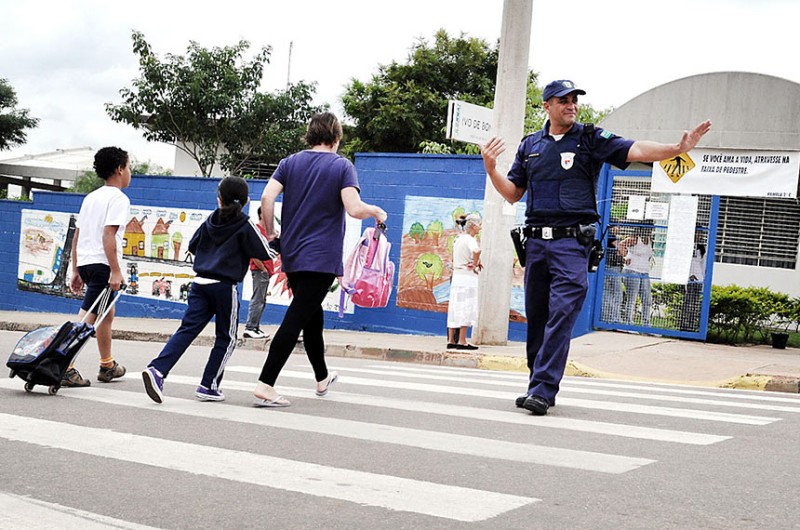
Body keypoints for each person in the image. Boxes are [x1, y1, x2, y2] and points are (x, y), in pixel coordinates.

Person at [480, 79, 711, 415]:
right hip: (536, 246)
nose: (571, 105)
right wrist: (491, 169)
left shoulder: (589, 138)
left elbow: (635, 149)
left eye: (574, 99)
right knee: (539, 319)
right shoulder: (531, 145)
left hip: (572, 244)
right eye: (563, 100)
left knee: (561, 314)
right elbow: (513, 193)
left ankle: (543, 390)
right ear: (547, 105)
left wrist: (675, 149)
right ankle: (536, 384)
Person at [253, 112, 386, 407]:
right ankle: (265, 383)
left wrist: (272, 233)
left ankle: (322, 378)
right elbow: (353, 209)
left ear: (310, 135)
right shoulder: (342, 166)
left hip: (293, 254)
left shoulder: (289, 163)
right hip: (322, 257)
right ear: (336, 137)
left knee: (311, 318)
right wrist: (375, 211)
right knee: (296, 319)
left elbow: (266, 198)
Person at [141, 176, 277, 403]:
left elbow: (193, 246)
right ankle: (208, 385)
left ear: (219, 199)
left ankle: (157, 370)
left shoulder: (209, 221)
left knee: (186, 330)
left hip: (200, 283)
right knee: (227, 338)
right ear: (245, 202)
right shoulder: (245, 224)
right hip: (224, 287)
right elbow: (266, 253)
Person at [64, 146, 131, 387]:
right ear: (120, 169)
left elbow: (77, 235)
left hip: (87, 263)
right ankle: (64, 366)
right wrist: (115, 270)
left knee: (106, 313)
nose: (129, 172)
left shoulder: (90, 197)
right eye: (129, 166)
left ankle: (107, 365)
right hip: (103, 266)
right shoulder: (118, 198)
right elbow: (108, 235)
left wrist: (76, 269)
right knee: (86, 319)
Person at [447, 213, 483, 350]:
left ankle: (451, 340)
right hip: (467, 277)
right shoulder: (470, 239)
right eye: (479, 224)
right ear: (473, 225)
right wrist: (474, 264)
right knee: (467, 306)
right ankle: (462, 341)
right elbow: (477, 250)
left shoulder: (458, 239)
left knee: (455, 306)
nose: (480, 227)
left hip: (457, 275)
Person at [243, 207, 276, 339]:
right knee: (258, 299)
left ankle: (255, 327)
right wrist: (262, 268)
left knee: (261, 300)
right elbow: (251, 251)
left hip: (265, 272)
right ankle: (250, 327)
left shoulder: (266, 232)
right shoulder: (256, 230)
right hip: (259, 271)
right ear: (262, 215)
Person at [619, 226, 655, 327]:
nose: (649, 231)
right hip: (632, 270)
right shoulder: (634, 239)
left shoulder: (650, 240)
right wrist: (625, 257)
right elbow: (621, 244)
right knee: (632, 298)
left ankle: (646, 324)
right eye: (648, 229)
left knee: (647, 299)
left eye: (651, 230)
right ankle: (629, 323)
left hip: (644, 272)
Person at [679, 232, 706, 331]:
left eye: (700, 234)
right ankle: (684, 326)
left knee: (695, 304)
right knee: (687, 303)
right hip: (689, 278)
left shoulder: (701, 249)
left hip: (698, 279)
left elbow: (703, 265)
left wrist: (703, 278)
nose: (699, 236)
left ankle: (692, 326)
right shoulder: (686, 246)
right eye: (697, 233)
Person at [601, 225, 624, 323]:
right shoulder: (611, 237)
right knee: (616, 294)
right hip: (612, 268)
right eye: (617, 227)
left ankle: (608, 318)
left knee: (607, 293)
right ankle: (615, 319)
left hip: (607, 267)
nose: (619, 229)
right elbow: (622, 250)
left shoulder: (605, 235)